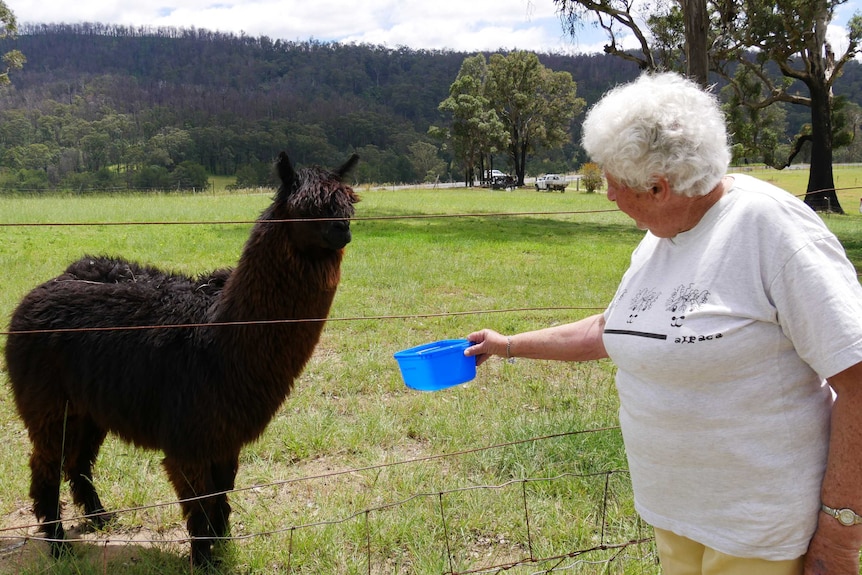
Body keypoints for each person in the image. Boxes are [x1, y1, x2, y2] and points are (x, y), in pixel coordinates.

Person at [464, 72, 862, 575]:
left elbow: (858, 381)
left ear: (658, 187)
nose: (606, 193)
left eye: (612, 181)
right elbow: (620, 328)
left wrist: (841, 535)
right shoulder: (662, 235)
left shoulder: (773, 231)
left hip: (761, 533)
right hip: (675, 516)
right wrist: (509, 345)